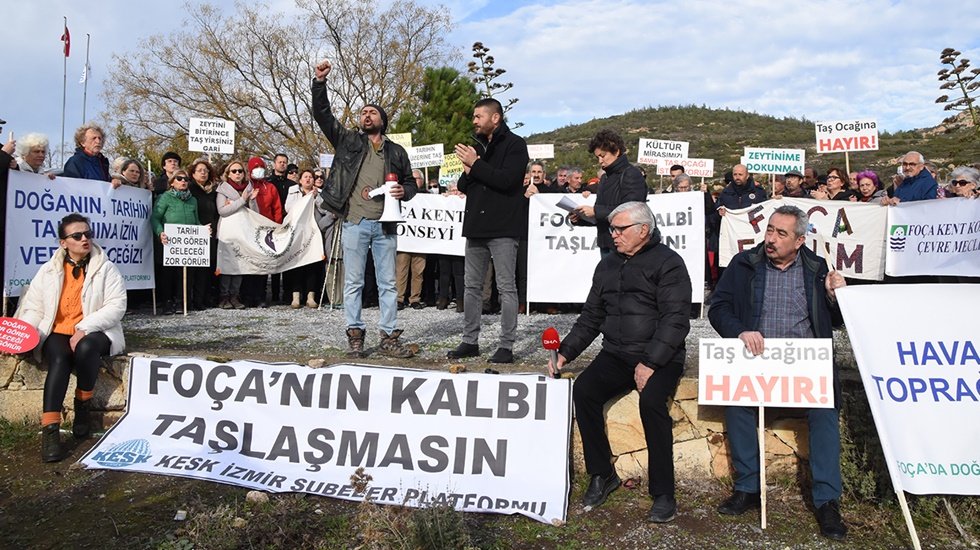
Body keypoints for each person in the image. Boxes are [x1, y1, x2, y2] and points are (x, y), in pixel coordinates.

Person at [708, 205, 848, 541]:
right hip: (756, 360)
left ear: (799, 240)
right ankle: (747, 488)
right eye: (770, 230)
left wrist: (836, 297)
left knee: (824, 413)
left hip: (804, 363)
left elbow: (838, 321)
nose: (771, 239)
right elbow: (719, 308)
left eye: (781, 233)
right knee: (737, 404)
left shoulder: (818, 268)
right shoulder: (744, 264)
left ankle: (827, 501)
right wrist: (739, 331)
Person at [551, 201, 691, 523]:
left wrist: (650, 362)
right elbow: (591, 316)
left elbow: (675, 320)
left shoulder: (669, 263)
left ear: (643, 230)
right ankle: (602, 474)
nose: (613, 234)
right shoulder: (608, 265)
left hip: (661, 357)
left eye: (619, 229)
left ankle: (663, 492)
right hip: (616, 353)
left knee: (652, 402)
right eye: (612, 229)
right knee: (584, 391)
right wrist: (565, 352)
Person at [312, 58, 418, 358]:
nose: (366, 115)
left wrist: (405, 191)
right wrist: (319, 83)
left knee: (388, 284)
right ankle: (355, 334)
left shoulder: (396, 151)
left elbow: (411, 183)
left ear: (383, 120)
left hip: (385, 226)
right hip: (355, 222)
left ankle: (388, 337)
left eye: (372, 112)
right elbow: (322, 114)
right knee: (354, 282)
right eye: (363, 112)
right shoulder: (347, 141)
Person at [15, 213, 126, 462]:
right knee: (59, 358)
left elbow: (116, 306)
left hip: (97, 330)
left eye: (88, 234)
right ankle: (50, 429)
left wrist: (85, 327)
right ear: (63, 243)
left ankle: (82, 405)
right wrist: (26, 333)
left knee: (86, 347)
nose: (84, 239)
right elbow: (33, 307)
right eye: (77, 235)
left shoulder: (106, 267)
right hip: (58, 329)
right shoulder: (48, 270)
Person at [443, 97, 528, 363]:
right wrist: (469, 168)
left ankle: (506, 346)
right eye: (474, 116)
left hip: (503, 227)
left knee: (506, 288)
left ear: (495, 117)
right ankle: (470, 341)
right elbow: (464, 186)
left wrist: (476, 164)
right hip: (476, 227)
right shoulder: (477, 146)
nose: (474, 121)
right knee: (471, 286)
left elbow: (507, 181)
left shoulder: (516, 145)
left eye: (478, 116)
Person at [572, 129, 648, 257]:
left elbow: (632, 211)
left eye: (603, 156)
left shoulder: (631, 174)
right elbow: (601, 215)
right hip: (607, 244)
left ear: (616, 151)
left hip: (627, 245)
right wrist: (581, 218)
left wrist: (595, 211)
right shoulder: (604, 178)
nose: (600, 161)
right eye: (597, 157)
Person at [152, 169, 203, 315]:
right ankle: (167, 302)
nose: (183, 181)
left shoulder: (193, 200)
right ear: (172, 182)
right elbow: (155, 218)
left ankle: (182, 301)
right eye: (179, 179)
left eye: (186, 179)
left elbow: (196, 221)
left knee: (186, 274)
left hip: (188, 243)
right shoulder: (164, 197)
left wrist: (204, 230)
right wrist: (160, 232)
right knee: (168, 274)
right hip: (169, 242)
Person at [215, 159, 256, 309]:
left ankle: (235, 295)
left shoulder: (249, 188)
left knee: (240, 264)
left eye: (240, 171)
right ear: (228, 174)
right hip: (227, 232)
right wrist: (241, 200)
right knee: (227, 265)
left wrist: (251, 201)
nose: (237, 173)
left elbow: (254, 212)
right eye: (234, 171)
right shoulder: (223, 189)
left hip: (243, 230)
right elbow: (222, 211)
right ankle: (224, 296)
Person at [284, 169, 324, 308]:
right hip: (297, 232)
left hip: (312, 233)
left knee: (312, 264)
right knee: (297, 263)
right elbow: (288, 208)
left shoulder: (319, 193)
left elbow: (324, 210)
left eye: (310, 177)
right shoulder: (293, 191)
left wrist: (316, 198)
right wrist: (305, 199)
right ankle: (296, 296)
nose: (308, 179)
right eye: (305, 177)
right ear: (300, 180)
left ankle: (310, 296)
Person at [188, 158, 219, 309]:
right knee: (195, 270)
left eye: (206, 170)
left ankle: (205, 298)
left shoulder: (213, 191)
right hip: (195, 233)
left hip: (210, 233)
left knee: (208, 268)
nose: (203, 173)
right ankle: (194, 300)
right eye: (199, 170)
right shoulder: (189, 189)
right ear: (193, 174)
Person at [395, 169, 429, 310]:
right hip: (404, 241)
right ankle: (399, 298)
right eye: (412, 178)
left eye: (417, 178)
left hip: (420, 241)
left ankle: (415, 298)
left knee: (418, 271)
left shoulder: (429, 196)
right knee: (401, 270)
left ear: (422, 180)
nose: (415, 181)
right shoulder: (402, 194)